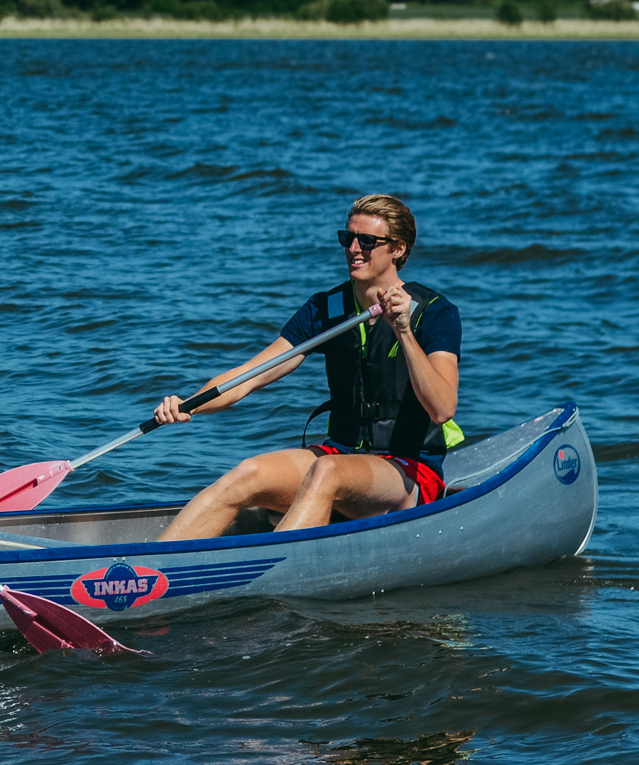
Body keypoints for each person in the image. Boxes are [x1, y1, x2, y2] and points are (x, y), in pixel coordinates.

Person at [151, 194, 462, 540]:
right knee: (247, 473)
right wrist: (187, 405)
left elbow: (442, 408)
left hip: (408, 472)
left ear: (398, 249)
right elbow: (248, 377)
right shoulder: (324, 309)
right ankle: (150, 572)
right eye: (348, 238)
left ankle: (268, 575)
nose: (354, 248)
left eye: (368, 241)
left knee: (327, 471)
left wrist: (402, 329)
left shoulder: (435, 312)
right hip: (339, 454)